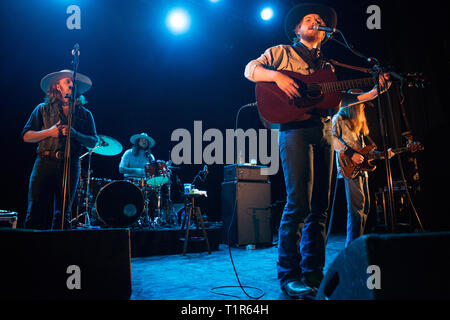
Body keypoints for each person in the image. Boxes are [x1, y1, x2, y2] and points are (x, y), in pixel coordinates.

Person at [244, 3, 390, 297]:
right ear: (297, 29)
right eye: (309, 19)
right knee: (297, 204)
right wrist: (278, 77)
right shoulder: (280, 52)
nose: (316, 22)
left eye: (320, 20)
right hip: (293, 131)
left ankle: (314, 272)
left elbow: (341, 100)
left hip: (324, 130)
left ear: (326, 33)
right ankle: (289, 274)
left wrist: (376, 90)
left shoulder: (329, 67)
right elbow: (250, 70)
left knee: (319, 208)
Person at [22, 69, 98, 230]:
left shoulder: (85, 114)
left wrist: (76, 134)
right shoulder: (42, 109)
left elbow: (93, 141)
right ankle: (28, 250)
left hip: (70, 163)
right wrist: (49, 132)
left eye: (73, 83)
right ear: (57, 86)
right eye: (67, 82)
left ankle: (59, 251)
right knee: (35, 207)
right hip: (45, 161)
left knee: (64, 213)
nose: (71, 85)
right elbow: (26, 136)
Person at [332, 103, 393, 247]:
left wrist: (382, 155)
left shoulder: (357, 126)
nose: (363, 108)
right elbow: (332, 139)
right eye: (361, 106)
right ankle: (352, 247)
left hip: (362, 170)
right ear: (353, 106)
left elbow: (364, 153)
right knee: (356, 208)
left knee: (365, 207)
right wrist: (350, 154)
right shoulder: (339, 118)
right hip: (349, 168)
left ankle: (357, 244)